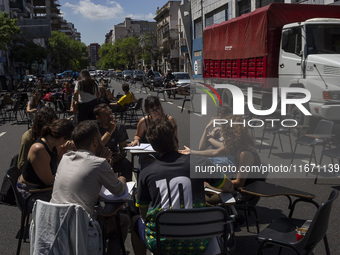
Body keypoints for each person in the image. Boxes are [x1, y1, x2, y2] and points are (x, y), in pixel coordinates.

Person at [131, 119, 234, 255]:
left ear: (154, 148)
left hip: (162, 244)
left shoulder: (146, 173)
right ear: (176, 139)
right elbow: (229, 186)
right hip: (199, 241)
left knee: (134, 221)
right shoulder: (199, 163)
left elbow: (143, 214)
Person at [50, 120, 130, 254]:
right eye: (100, 137)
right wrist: (121, 179)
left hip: (56, 223)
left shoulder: (66, 157)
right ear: (94, 141)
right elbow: (118, 190)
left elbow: (87, 172)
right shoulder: (99, 163)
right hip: (81, 226)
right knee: (123, 221)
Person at [180, 115, 261, 189]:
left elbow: (239, 183)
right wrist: (191, 152)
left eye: (225, 132)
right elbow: (214, 153)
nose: (223, 134)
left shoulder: (245, 153)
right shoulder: (236, 145)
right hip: (232, 181)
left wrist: (210, 185)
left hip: (245, 191)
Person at [17, 119, 74, 202]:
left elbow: (60, 164)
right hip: (31, 192)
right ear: (62, 139)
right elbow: (48, 180)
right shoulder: (39, 149)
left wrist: (63, 151)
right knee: (71, 201)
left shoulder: (53, 144)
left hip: (42, 187)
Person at [128, 95, 177, 169]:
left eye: (158, 109)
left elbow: (175, 140)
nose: (156, 112)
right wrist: (136, 140)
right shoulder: (143, 122)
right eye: (152, 110)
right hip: (148, 154)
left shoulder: (169, 120)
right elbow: (137, 136)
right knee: (149, 165)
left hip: (165, 152)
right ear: (148, 112)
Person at [94, 104, 133, 181]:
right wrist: (110, 131)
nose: (110, 117)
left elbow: (123, 151)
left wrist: (113, 159)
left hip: (113, 158)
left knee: (127, 164)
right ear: (98, 118)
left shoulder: (119, 127)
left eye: (110, 113)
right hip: (97, 158)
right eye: (106, 115)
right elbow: (97, 147)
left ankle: (127, 189)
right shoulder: (94, 128)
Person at [17, 107, 58, 172]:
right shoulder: (28, 137)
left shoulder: (50, 136)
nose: (53, 129)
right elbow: (22, 165)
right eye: (51, 126)